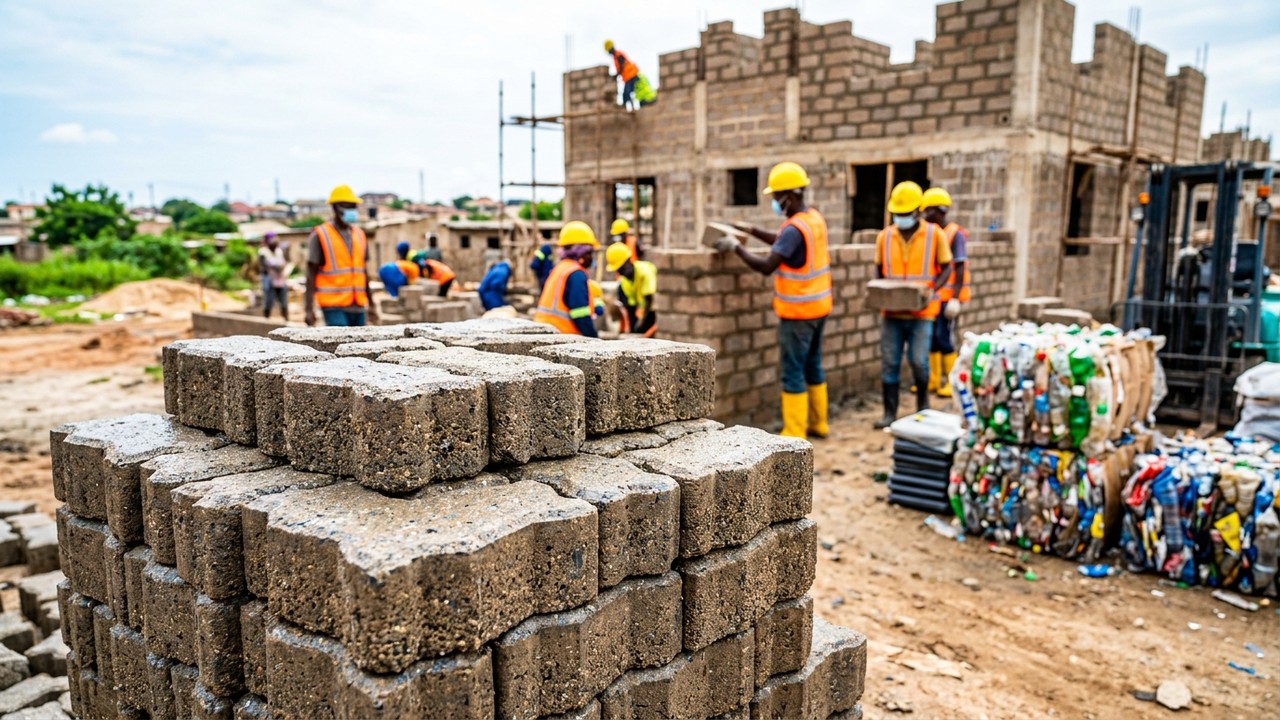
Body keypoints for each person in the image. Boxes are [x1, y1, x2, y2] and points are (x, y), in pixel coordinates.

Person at [715, 161, 831, 439]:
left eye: (777, 197)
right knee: (813, 365)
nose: (775, 202)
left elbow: (768, 265)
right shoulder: (812, 219)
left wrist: (737, 248)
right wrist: (752, 230)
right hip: (819, 307)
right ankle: (819, 423)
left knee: (793, 371)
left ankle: (795, 432)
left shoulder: (793, 229)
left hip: (798, 312)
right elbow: (783, 243)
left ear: (789, 196)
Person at [873, 181, 953, 428]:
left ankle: (922, 408)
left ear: (918, 211)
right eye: (898, 213)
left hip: (922, 313)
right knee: (890, 363)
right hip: (892, 314)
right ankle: (890, 413)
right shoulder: (884, 236)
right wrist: (880, 291)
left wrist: (932, 290)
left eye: (906, 213)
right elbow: (878, 270)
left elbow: (947, 267)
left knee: (919, 361)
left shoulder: (934, 235)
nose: (901, 218)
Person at [305, 185, 378, 327]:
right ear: (334, 208)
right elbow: (310, 274)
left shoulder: (360, 235)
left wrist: (372, 303)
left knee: (360, 341)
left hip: (358, 304)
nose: (351, 210)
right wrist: (308, 309)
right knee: (340, 340)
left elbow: (363, 272)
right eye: (347, 206)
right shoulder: (320, 235)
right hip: (333, 306)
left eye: (353, 207)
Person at [920, 187, 968, 399]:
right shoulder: (931, 234)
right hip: (934, 297)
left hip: (948, 298)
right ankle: (933, 380)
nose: (925, 216)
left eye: (928, 211)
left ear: (938, 210)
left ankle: (951, 381)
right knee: (932, 339)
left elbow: (959, 267)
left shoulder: (954, 234)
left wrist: (955, 298)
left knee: (943, 338)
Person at [534, 221, 600, 337]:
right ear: (580, 253)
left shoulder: (561, 267)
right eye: (589, 253)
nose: (591, 257)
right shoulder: (576, 274)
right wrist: (596, 341)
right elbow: (580, 315)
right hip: (562, 335)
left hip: (547, 333)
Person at [606, 242, 657, 337]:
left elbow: (649, 299)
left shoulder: (645, 272)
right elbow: (630, 307)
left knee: (644, 326)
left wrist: (641, 322)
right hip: (641, 310)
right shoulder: (624, 282)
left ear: (629, 260)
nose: (621, 272)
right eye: (618, 270)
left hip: (653, 309)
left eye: (622, 268)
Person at [257, 232, 289, 320]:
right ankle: (266, 318)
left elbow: (282, 263)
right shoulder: (263, 252)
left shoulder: (279, 251)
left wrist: (279, 265)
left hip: (280, 278)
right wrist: (279, 265)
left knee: (283, 300)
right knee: (269, 299)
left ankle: (286, 319)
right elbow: (272, 264)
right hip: (268, 278)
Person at [604, 40, 641, 110]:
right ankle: (631, 107)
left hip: (631, 74)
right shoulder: (616, 55)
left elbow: (622, 65)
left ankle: (625, 107)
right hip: (629, 74)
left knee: (626, 92)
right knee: (628, 92)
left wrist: (617, 75)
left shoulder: (617, 55)